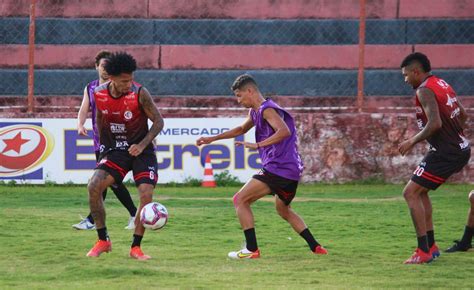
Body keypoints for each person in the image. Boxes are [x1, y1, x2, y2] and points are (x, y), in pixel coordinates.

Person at [196, 74, 327, 259]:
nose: (238, 100)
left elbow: (284, 131)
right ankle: (316, 247)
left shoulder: (267, 110)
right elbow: (241, 129)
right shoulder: (256, 111)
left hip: (278, 167)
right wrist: (212, 139)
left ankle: (251, 250)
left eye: (239, 95)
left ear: (250, 91)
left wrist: (257, 145)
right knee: (283, 210)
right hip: (290, 171)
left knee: (240, 200)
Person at [86, 52, 164, 260]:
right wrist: (104, 147)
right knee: (94, 186)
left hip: (142, 151)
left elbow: (158, 122)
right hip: (116, 150)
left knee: (146, 194)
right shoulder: (99, 94)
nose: (129, 84)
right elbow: (100, 118)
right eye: (124, 81)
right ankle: (103, 240)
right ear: (111, 78)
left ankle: (135, 248)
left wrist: (142, 144)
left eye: (130, 79)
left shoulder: (140, 93)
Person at [398, 52, 471, 264]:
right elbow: (463, 115)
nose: (405, 80)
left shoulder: (424, 90)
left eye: (405, 75)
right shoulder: (441, 83)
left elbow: (435, 123)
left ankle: (423, 251)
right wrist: (454, 136)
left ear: (416, 72)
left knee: (410, 193)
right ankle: (431, 246)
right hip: (458, 148)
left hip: (447, 152)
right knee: (420, 193)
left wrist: (411, 141)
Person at [73, 50, 138, 231]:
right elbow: (84, 108)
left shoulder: (119, 87)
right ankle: (131, 215)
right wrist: (80, 124)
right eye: (102, 66)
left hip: (118, 141)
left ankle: (95, 220)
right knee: (106, 180)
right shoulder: (91, 88)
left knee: (107, 179)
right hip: (99, 141)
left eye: (108, 66)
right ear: (96, 67)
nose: (105, 69)